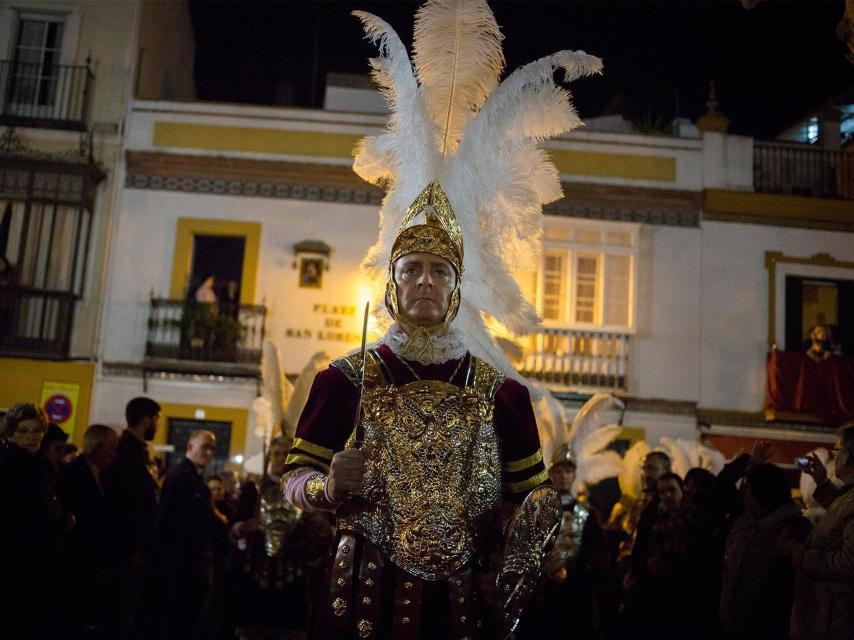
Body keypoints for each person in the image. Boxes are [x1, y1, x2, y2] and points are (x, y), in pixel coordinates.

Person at [283, 1, 598, 636]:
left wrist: (535, 520)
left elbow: (524, 497)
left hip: (461, 606)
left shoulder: (502, 393)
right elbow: (295, 477)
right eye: (413, 269)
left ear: (457, 286)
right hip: (362, 596)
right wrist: (325, 488)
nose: (425, 281)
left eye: (439, 271)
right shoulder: (344, 381)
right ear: (391, 281)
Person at [232, 436, 335, 638]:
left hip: (291, 570)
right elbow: (236, 523)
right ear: (269, 455)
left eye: (285, 454)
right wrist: (243, 527)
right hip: (256, 569)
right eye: (276, 453)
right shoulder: (253, 489)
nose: (280, 458)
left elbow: (320, 532)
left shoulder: (300, 489)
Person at [147, 429, 228, 640]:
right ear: (190, 446)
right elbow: (170, 518)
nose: (209, 453)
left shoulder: (192, 476)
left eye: (212, 448)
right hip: (182, 564)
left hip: (189, 561)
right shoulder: (182, 476)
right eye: (205, 447)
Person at [519, 444, 607, 639]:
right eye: (559, 470)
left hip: (574, 593)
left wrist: (581, 575)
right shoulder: (537, 510)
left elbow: (596, 552)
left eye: (568, 471)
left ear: (574, 474)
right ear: (551, 472)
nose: (563, 476)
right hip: (542, 592)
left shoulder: (587, 513)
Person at [0, 403, 61, 638]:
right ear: (11, 434)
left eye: (36, 431)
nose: (31, 437)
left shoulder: (38, 467)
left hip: (32, 561)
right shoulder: (14, 466)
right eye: (23, 431)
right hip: (17, 563)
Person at [719, 462, 800, 640]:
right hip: (733, 621)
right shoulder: (743, 521)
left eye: (748, 489)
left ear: (761, 492)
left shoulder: (790, 530)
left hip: (766, 628)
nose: (743, 494)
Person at [103, 396, 161, 639]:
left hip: (134, 548)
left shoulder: (136, 451)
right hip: (127, 550)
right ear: (146, 420)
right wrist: (135, 547)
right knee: (121, 612)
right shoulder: (126, 453)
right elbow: (127, 503)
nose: (158, 425)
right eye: (156, 419)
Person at [790, 424, 854, 640]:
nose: (834, 456)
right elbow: (841, 512)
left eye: (837, 451)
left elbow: (849, 563)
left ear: (848, 457)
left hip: (837, 617)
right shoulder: (849, 494)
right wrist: (822, 482)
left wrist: (804, 556)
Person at [55, 424, 120, 635]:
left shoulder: (102, 474)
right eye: (112, 447)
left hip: (92, 560)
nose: (115, 453)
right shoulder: (74, 474)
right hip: (77, 558)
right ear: (99, 448)